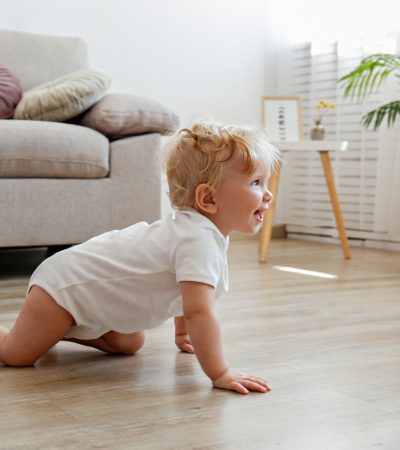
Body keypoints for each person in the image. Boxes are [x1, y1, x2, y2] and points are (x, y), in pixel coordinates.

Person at [0, 121, 280, 395]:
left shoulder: (204, 233)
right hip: (63, 287)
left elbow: (185, 293)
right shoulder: (197, 239)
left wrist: (183, 335)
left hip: (92, 298)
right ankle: (49, 326)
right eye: (256, 183)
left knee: (130, 342)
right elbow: (199, 311)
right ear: (208, 199)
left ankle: (58, 330)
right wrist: (220, 373)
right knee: (17, 355)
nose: (267, 194)